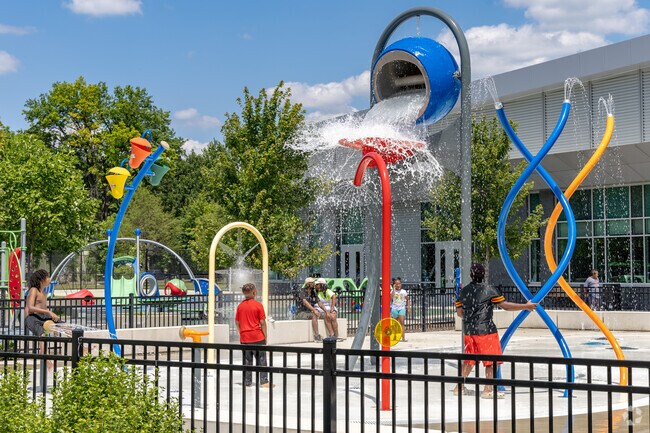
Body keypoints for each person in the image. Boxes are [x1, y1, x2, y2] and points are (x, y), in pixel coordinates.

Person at [453, 263, 536, 399]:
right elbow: (506, 306)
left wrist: (471, 316)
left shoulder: (464, 291)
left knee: (469, 360)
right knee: (491, 360)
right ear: (484, 274)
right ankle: (488, 390)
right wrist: (526, 306)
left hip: (469, 331)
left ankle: (459, 387)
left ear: (470, 275)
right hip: (486, 330)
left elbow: (460, 313)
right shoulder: (490, 290)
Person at [235, 283, 274, 388]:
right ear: (254, 292)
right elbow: (263, 323)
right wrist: (265, 336)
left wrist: (241, 332)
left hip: (244, 337)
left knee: (247, 360)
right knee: (261, 359)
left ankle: (247, 381)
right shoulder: (258, 305)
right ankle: (264, 381)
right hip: (257, 337)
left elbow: (237, 322)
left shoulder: (240, 306)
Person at [24, 269, 60, 371]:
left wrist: (53, 317)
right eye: (47, 277)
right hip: (31, 317)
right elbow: (30, 307)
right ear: (41, 280)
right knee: (42, 334)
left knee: (61, 325)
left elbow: (43, 310)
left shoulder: (44, 293)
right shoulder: (33, 290)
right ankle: (47, 359)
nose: (49, 279)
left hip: (41, 317)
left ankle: (83, 348)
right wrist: (49, 312)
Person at [295, 277, 328, 342]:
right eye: (312, 283)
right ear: (307, 284)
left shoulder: (313, 292)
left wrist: (326, 311)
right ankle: (316, 336)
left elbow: (319, 302)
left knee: (326, 315)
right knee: (314, 315)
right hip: (301, 313)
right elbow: (305, 302)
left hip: (310, 312)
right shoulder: (302, 291)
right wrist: (314, 310)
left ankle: (331, 335)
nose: (314, 284)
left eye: (314, 283)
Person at [390, 277, 410, 342]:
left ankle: (403, 337)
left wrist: (408, 307)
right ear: (394, 285)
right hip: (394, 308)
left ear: (401, 284)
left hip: (401, 308)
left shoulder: (403, 291)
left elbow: (407, 299)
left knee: (402, 322)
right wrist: (393, 288)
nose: (398, 285)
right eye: (396, 284)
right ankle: (394, 337)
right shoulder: (393, 291)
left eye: (399, 284)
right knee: (395, 323)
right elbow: (390, 297)